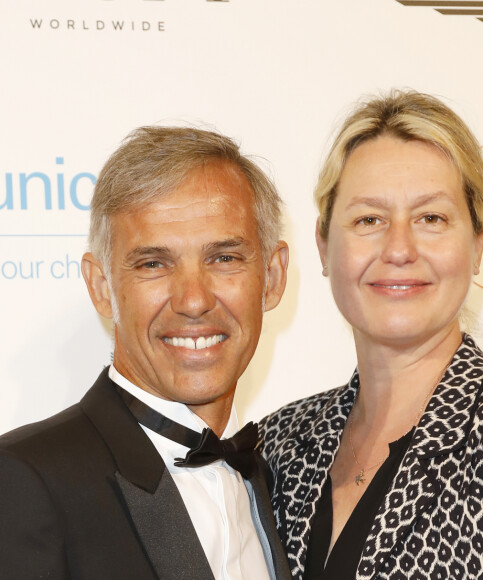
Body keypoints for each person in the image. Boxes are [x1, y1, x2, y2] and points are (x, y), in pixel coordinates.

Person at [260, 91, 483, 579]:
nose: (399, 248)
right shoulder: (278, 444)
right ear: (324, 246)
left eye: (431, 218)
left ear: (477, 243)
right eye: (369, 219)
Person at [0, 126, 292, 580]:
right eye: (153, 264)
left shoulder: (280, 481)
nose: (193, 300)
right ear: (101, 288)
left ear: (272, 278)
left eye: (224, 258)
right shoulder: (22, 483)